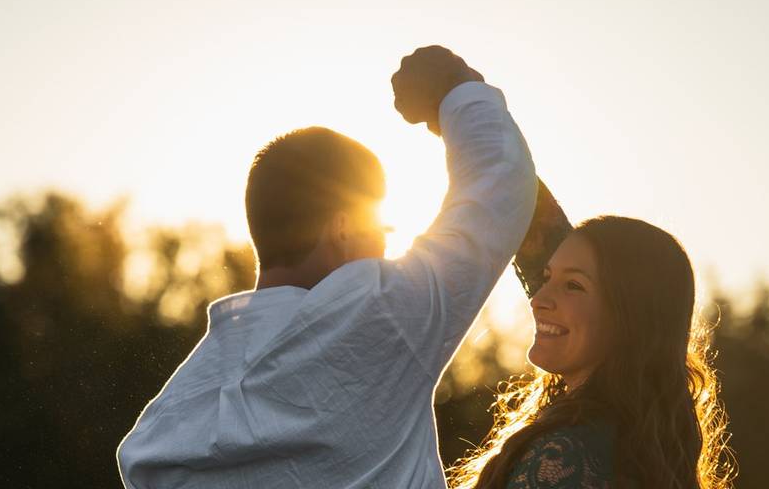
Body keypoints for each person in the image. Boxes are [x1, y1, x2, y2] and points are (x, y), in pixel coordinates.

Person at [116, 45, 539, 488]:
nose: (384, 248)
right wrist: (457, 87)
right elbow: (497, 184)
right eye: (380, 228)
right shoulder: (377, 316)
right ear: (342, 229)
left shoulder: (165, 426)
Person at [448, 210, 736, 488]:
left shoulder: (563, 458)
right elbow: (529, 209)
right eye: (546, 277)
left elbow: (512, 187)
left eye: (573, 285)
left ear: (630, 317)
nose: (539, 298)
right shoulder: (643, 445)